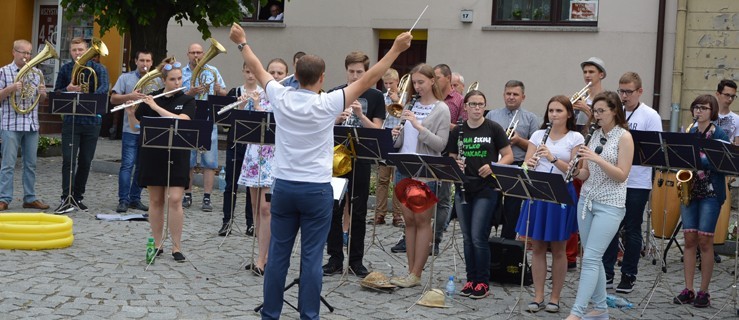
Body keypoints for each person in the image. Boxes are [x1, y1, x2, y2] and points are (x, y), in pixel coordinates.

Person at [228, 23, 411, 320]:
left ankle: (270, 314)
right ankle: (309, 315)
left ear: (295, 77)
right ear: (323, 78)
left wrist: (241, 42)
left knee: (277, 257)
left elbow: (258, 68)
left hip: (285, 186)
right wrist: (396, 49)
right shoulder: (328, 102)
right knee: (312, 259)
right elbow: (370, 77)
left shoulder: (281, 97)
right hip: (316, 189)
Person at [566, 91, 633, 320]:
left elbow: (622, 175)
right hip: (586, 201)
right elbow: (585, 173)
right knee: (590, 256)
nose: (597, 116)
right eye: (595, 111)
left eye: (601, 111)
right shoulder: (592, 134)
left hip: (610, 204)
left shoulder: (624, 137)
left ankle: (576, 313)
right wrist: (574, 169)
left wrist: (598, 160)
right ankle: (601, 309)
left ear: (615, 111)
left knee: (593, 258)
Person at [516, 95, 583, 313]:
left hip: (561, 192)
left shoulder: (575, 137)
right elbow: (526, 166)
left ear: (569, 114)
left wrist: (553, 158)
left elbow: (575, 172)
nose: (553, 115)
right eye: (551, 111)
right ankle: (538, 296)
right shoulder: (537, 135)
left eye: (559, 111)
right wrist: (531, 163)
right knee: (537, 247)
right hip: (537, 191)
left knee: (559, 249)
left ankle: (555, 297)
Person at [125, 59, 195, 262]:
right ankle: (158, 244)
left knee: (174, 199)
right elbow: (137, 128)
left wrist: (155, 107)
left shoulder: (187, 100)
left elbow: (182, 121)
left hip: (177, 154)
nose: (177, 82)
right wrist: (131, 114)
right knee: (155, 201)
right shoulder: (152, 97)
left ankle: (176, 246)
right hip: (153, 153)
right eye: (172, 79)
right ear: (164, 80)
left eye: (179, 78)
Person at [322, 51, 385, 278]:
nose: (355, 76)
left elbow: (378, 131)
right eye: (351, 71)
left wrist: (360, 115)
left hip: (362, 156)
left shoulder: (376, 96)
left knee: (358, 211)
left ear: (366, 72)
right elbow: (321, 125)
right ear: (346, 70)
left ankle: (356, 260)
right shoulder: (335, 93)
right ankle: (334, 258)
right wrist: (337, 119)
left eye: (360, 72)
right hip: (337, 158)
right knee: (333, 208)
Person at [389, 63, 450, 288]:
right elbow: (402, 140)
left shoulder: (441, 109)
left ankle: (417, 273)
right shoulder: (409, 104)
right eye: (414, 83)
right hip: (405, 166)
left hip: (424, 171)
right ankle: (410, 271)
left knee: (422, 221)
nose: (417, 87)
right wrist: (397, 133)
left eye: (421, 82)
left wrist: (418, 126)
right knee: (409, 222)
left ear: (432, 81)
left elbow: (440, 145)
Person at [601, 72, 662, 293]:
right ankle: (607, 273)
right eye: (621, 91)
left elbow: (655, 151)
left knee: (632, 228)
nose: (624, 96)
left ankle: (628, 274)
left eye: (628, 92)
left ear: (640, 92)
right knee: (610, 227)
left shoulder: (650, 115)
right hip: (614, 178)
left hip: (637, 180)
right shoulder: (615, 112)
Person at [449, 90, 513, 299]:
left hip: (486, 188)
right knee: (467, 238)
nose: (477, 108)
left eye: (481, 104)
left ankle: (483, 282)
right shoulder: (458, 130)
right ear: (465, 107)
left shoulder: (493, 128)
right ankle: (471, 279)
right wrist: (455, 163)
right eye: (473, 104)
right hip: (464, 187)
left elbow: (509, 156)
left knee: (478, 236)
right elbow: (451, 156)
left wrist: (494, 166)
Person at [673, 94, 729, 309]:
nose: (699, 111)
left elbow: (722, 162)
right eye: (696, 107)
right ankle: (688, 289)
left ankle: (704, 292)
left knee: (705, 242)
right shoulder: (690, 132)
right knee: (689, 240)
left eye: (704, 108)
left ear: (712, 111)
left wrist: (700, 160)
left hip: (711, 194)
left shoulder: (719, 133)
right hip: (690, 191)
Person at [53, 37, 109, 214]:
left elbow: (104, 90)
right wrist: (67, 90)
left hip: (92, 122)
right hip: (71, 121)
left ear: (88, 51)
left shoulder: (99, 69)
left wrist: (86, 94)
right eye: (74, 50)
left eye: (81, 50)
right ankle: (65, 197)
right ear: (70, 51)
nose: (78, 53)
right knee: (68, 160)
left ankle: (77, 196)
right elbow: (56, 92)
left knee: (85, 161)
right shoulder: (65, 69)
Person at [485, 80, 540, 240]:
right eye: (508, 94)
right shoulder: (492, 115)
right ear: (503, 95)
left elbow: (535, 146)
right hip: (496, 165)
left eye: (515, 94)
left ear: (523, 97)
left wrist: (518, 140)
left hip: (516, 166)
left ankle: (506, 246)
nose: (511, 97)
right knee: (490, 207)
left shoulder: (531, 118)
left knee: (512, 210)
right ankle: (486, 245)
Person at [0, 39, 50, 212]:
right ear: (14, 52)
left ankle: (30, 198)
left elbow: (39, 99)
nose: (27, 56)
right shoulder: (4, 72)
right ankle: (4, 198)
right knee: (8, 164)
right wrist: (10, 89)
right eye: (23, 53)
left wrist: (42, 94)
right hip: (11, 124)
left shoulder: (36, 73)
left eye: (29, 53)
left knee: (31, 164)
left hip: (30, 124)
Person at [236, 62, 273, 275]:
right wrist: (242, 105)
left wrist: (258, 107)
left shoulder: (283, 98)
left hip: (272, 157)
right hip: (253, 155)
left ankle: (263, 259)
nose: (275, 76)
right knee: (255, 206)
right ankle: (262, 254)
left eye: (280, 73)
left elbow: (270, 124)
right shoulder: (256, 93)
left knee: (266, 208)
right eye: (272, 72)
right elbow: (241, 125)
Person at [181, 42, 227, 212]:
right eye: (192, 52)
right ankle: (188, 194)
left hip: (208, 118)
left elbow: (223, 92)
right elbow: (176, 95)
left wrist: (219, 90)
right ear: (188, 54)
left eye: (199, 52)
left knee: (210, 160)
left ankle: (207, 197)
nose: (196, 55)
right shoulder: (182, 73)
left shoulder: (212, 71)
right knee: (189, 161)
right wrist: (190, 93)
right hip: (189, 118)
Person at [110, 50, 155, 213]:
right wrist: (130, 96)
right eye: (142, 60)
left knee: (141, 166)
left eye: (148, 61)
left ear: (151, 62)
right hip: (130, 129)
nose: (145, 64)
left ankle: (135, 198)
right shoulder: (126, 78)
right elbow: (113, 99)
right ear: (135, 61)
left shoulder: (157, 81)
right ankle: (123, 200)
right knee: (127, 166)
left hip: (148, 130)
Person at [220, 63, 257, 237]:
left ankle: (251, 223)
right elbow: (226, 122)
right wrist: (240, 107)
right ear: (243, 72)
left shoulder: (262, 93)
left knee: (251, 186)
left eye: (253, 72)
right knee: (230, 184)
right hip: (236, 143)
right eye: (247, 72)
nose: (250, 76)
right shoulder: (234, 92)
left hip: (254, 145)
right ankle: (227, 221)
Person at [374, 68, 403, 227]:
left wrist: (397, 100)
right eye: (385, 83)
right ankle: (380, 213)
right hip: (385, 138)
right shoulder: (382, 97)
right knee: (383, 179)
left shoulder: (404, 97)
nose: (388, 86)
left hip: (399, 139)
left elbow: (405, 114)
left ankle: (397, 215)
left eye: (391, 83)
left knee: (397, 180)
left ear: (397, 81)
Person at [574, 57, 607, 127]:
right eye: (585, 72)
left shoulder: (607, 99)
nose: (587, 75)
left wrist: (586, 109)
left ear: (601, 75)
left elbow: (606, 125)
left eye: (591, 72)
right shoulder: (581, 97)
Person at [715, 79, 738, 145]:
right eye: (727, 95)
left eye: (733, 96)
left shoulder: (737, 119)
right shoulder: (707, 115)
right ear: (718, 94)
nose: (730, 99)